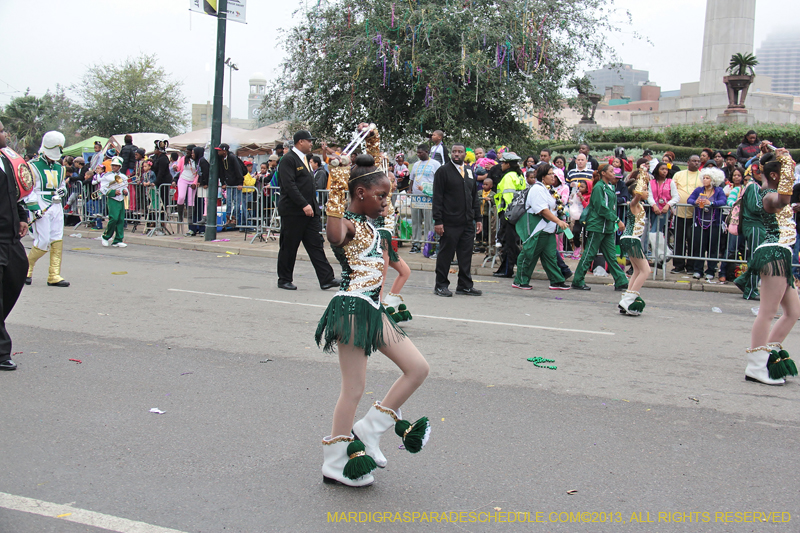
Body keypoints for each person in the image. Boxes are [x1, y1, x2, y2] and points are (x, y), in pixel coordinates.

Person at [316, 149, 430, 487]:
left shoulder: (374, 222)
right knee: (353, 389)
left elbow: (385, 203)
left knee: (418, 368)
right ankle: (335, 462)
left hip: (374, 309)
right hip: (352, 308)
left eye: (388, 195)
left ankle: (368, 430)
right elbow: (333, 233)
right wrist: (337, 180)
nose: (386, 201)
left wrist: (376, 149)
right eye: (380, 195)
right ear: (360, 195)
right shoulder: (348, 226)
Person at [734, 149, 799, 385]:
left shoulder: (767, 185)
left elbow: (765, 171)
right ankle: (756, 365)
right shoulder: (770, 195)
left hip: (781, 254)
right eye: (784, 174)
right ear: (774, 176)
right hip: (774, 254)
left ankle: (769, 354)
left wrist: (771, 153)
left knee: (793, 312)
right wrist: (786, 167)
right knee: (767, 312)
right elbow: (782, 199)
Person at [276, 131, 339, 291]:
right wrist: (303, 204)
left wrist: (313, 206)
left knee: (315, 244)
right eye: (309, 141)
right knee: (289, 246)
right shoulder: (288, 159)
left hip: (309, 212)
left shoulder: (304, 159)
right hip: (293, 211)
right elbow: (289, 185)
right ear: (300, 141)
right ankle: (284, 279)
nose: (311, 144)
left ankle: (326, 278)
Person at [0, 122, 33, 370]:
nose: (5, 135)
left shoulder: (7, 162)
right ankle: (2, 353)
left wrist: (22, 217)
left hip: (11, 238)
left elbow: (15, 195)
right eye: (1, 131)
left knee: (17, 277)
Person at [432, 144, 482, 297]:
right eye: (454, 152)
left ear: (464, 154)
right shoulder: (443, 171)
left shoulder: (468, 171)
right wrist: (438, 221)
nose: (456, 154)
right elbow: (437, 197)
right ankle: (441, 285)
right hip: (449, 221)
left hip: (467, 221)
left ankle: (465, 285)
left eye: (460, 152)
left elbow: (474, 196)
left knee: (465, 254)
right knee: (446, 254)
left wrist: (478, 218)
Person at [570, 164, 628, 291]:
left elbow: (611, 207)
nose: (614, 173)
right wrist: (617, 220)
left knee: (611, 255)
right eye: (611, 171)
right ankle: (578, 280)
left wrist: (614, 221)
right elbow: (601, 208)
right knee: (589, 254)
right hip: (597, 226)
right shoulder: (598, 188)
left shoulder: (610, 187)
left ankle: (621, 280)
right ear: (603, 173)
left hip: (607, 227)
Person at [512, 163, 570, 291]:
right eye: (550, 174)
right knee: (529, 254)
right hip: (538, 229)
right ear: (543, 176)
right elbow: (542, 210)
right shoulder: (537, 189)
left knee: (550, 257)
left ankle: (556, 280)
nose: (553, 176)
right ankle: (520, 280)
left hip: (548, 230)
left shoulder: (548, 189)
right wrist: (558, 221)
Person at [24, 131, 70, 288]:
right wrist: (34, 207)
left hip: (56, 205)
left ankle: (54, 274)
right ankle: (26, 269)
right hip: (40, 203)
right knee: (42, 241)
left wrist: (63, 190)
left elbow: (61, 184)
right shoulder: (32, 166)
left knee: (57, 239)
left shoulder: (60, 167)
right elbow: (28, 189)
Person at [618, 164, 652, 315]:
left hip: (630, 238)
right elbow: (638, 194)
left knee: (638, 270)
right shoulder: (634, 204)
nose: (646, 192)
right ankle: (628, 300)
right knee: (646, 270)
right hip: (631, 239)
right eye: (645, 190)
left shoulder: (640, 205)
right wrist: (643, 174)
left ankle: (626, 298)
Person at [687, 167, 727, 281]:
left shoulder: (718, 191)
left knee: (713, 248)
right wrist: (695, 202)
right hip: (700, 223)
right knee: (699, 247)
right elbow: (689, 200)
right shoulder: (699, 190)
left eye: (707, 178)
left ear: (713, 180)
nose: (705, 180)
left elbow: (723, 201)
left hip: (714, 224)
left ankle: (710, 271)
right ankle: (698, 270)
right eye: (704, 178)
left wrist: (712, 203)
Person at [492, 152, 526, 277]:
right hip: (518, 214)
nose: (501, 165)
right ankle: (506, 269)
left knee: (510, 244)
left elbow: (508, 197)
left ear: (508, 164)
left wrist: (507, 215)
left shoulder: (508, 177)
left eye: (503, 162)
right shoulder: (520, 176)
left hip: (508, 214)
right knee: (510, 243)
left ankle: (510, 269)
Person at [670, 155, 702, 274]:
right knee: (679, 240)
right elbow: (673, 190)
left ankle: (691, 266)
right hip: (679, 213)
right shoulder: (679, 174)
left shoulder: (702, 175)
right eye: (694, 161)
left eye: (698, 161)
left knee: (693, 240)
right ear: (688, 162)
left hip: (695, 215)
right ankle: (678, 265)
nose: (696, 163)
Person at [408, 144, 440, 254]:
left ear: (427, 152)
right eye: (417, 152)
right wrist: (409, 190)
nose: (418, 154)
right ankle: (416, 244)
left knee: (428, 222)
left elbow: (438, 181)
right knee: (416, 222)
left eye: (420, 152)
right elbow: (412, 179)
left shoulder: (435, 164)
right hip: (416, 198)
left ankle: (429, 244)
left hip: (429, 198)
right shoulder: (416, 164)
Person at [99, 156, 129, 248]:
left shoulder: (123, 176)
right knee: (114, 218)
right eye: (113, 165)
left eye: (116, 166)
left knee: (120, 219)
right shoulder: (107, 176)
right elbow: (103, 189)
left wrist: (125, 191)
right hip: (113, 199)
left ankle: (118, 240)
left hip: (121, 199)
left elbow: (125, 186)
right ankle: (105, 236)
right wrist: (113, 192)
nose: (114, 167)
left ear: (120, 167)